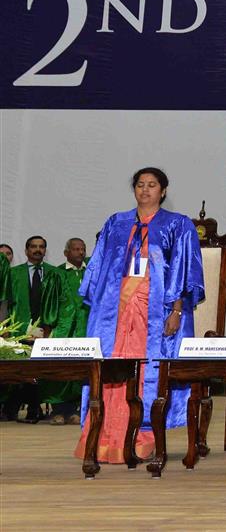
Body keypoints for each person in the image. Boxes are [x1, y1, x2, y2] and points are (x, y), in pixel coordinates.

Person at [75, 168, 204, 462]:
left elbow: (186, 272)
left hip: (154, 313)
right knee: (111, 369)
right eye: (140, 185)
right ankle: (104, 435)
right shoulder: (116, 223)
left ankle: (142, 437)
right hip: (116, 313)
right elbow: (98, 269)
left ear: (164, 190)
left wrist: (176, 310)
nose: (145, 190)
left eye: (152, 185)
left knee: (147, 372)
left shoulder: (178, 225)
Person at [3, 235, 58, 423]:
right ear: (26, 251)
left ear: (45, 250)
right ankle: (25, 408)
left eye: (41, 247)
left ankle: (33, 408)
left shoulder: (54, 273)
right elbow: (7, 302)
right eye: (33, 247)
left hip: (46, 329)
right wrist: (6, 327)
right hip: (19, 329)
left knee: (39, 369)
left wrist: (50, 327)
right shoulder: (14, 273)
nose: (37, 250)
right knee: (22, 370)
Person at [48, 237, 91, 423]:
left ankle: (74, 409)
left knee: (81, 370)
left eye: (82, 249)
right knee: (61, 369)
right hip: (64, 329)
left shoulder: (90, 272)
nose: (80, 252)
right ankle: (58, 410)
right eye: (75, 249)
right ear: (66, 253)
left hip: (86, 328)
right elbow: (50, 302)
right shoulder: (57, 273)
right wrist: (48, 327)